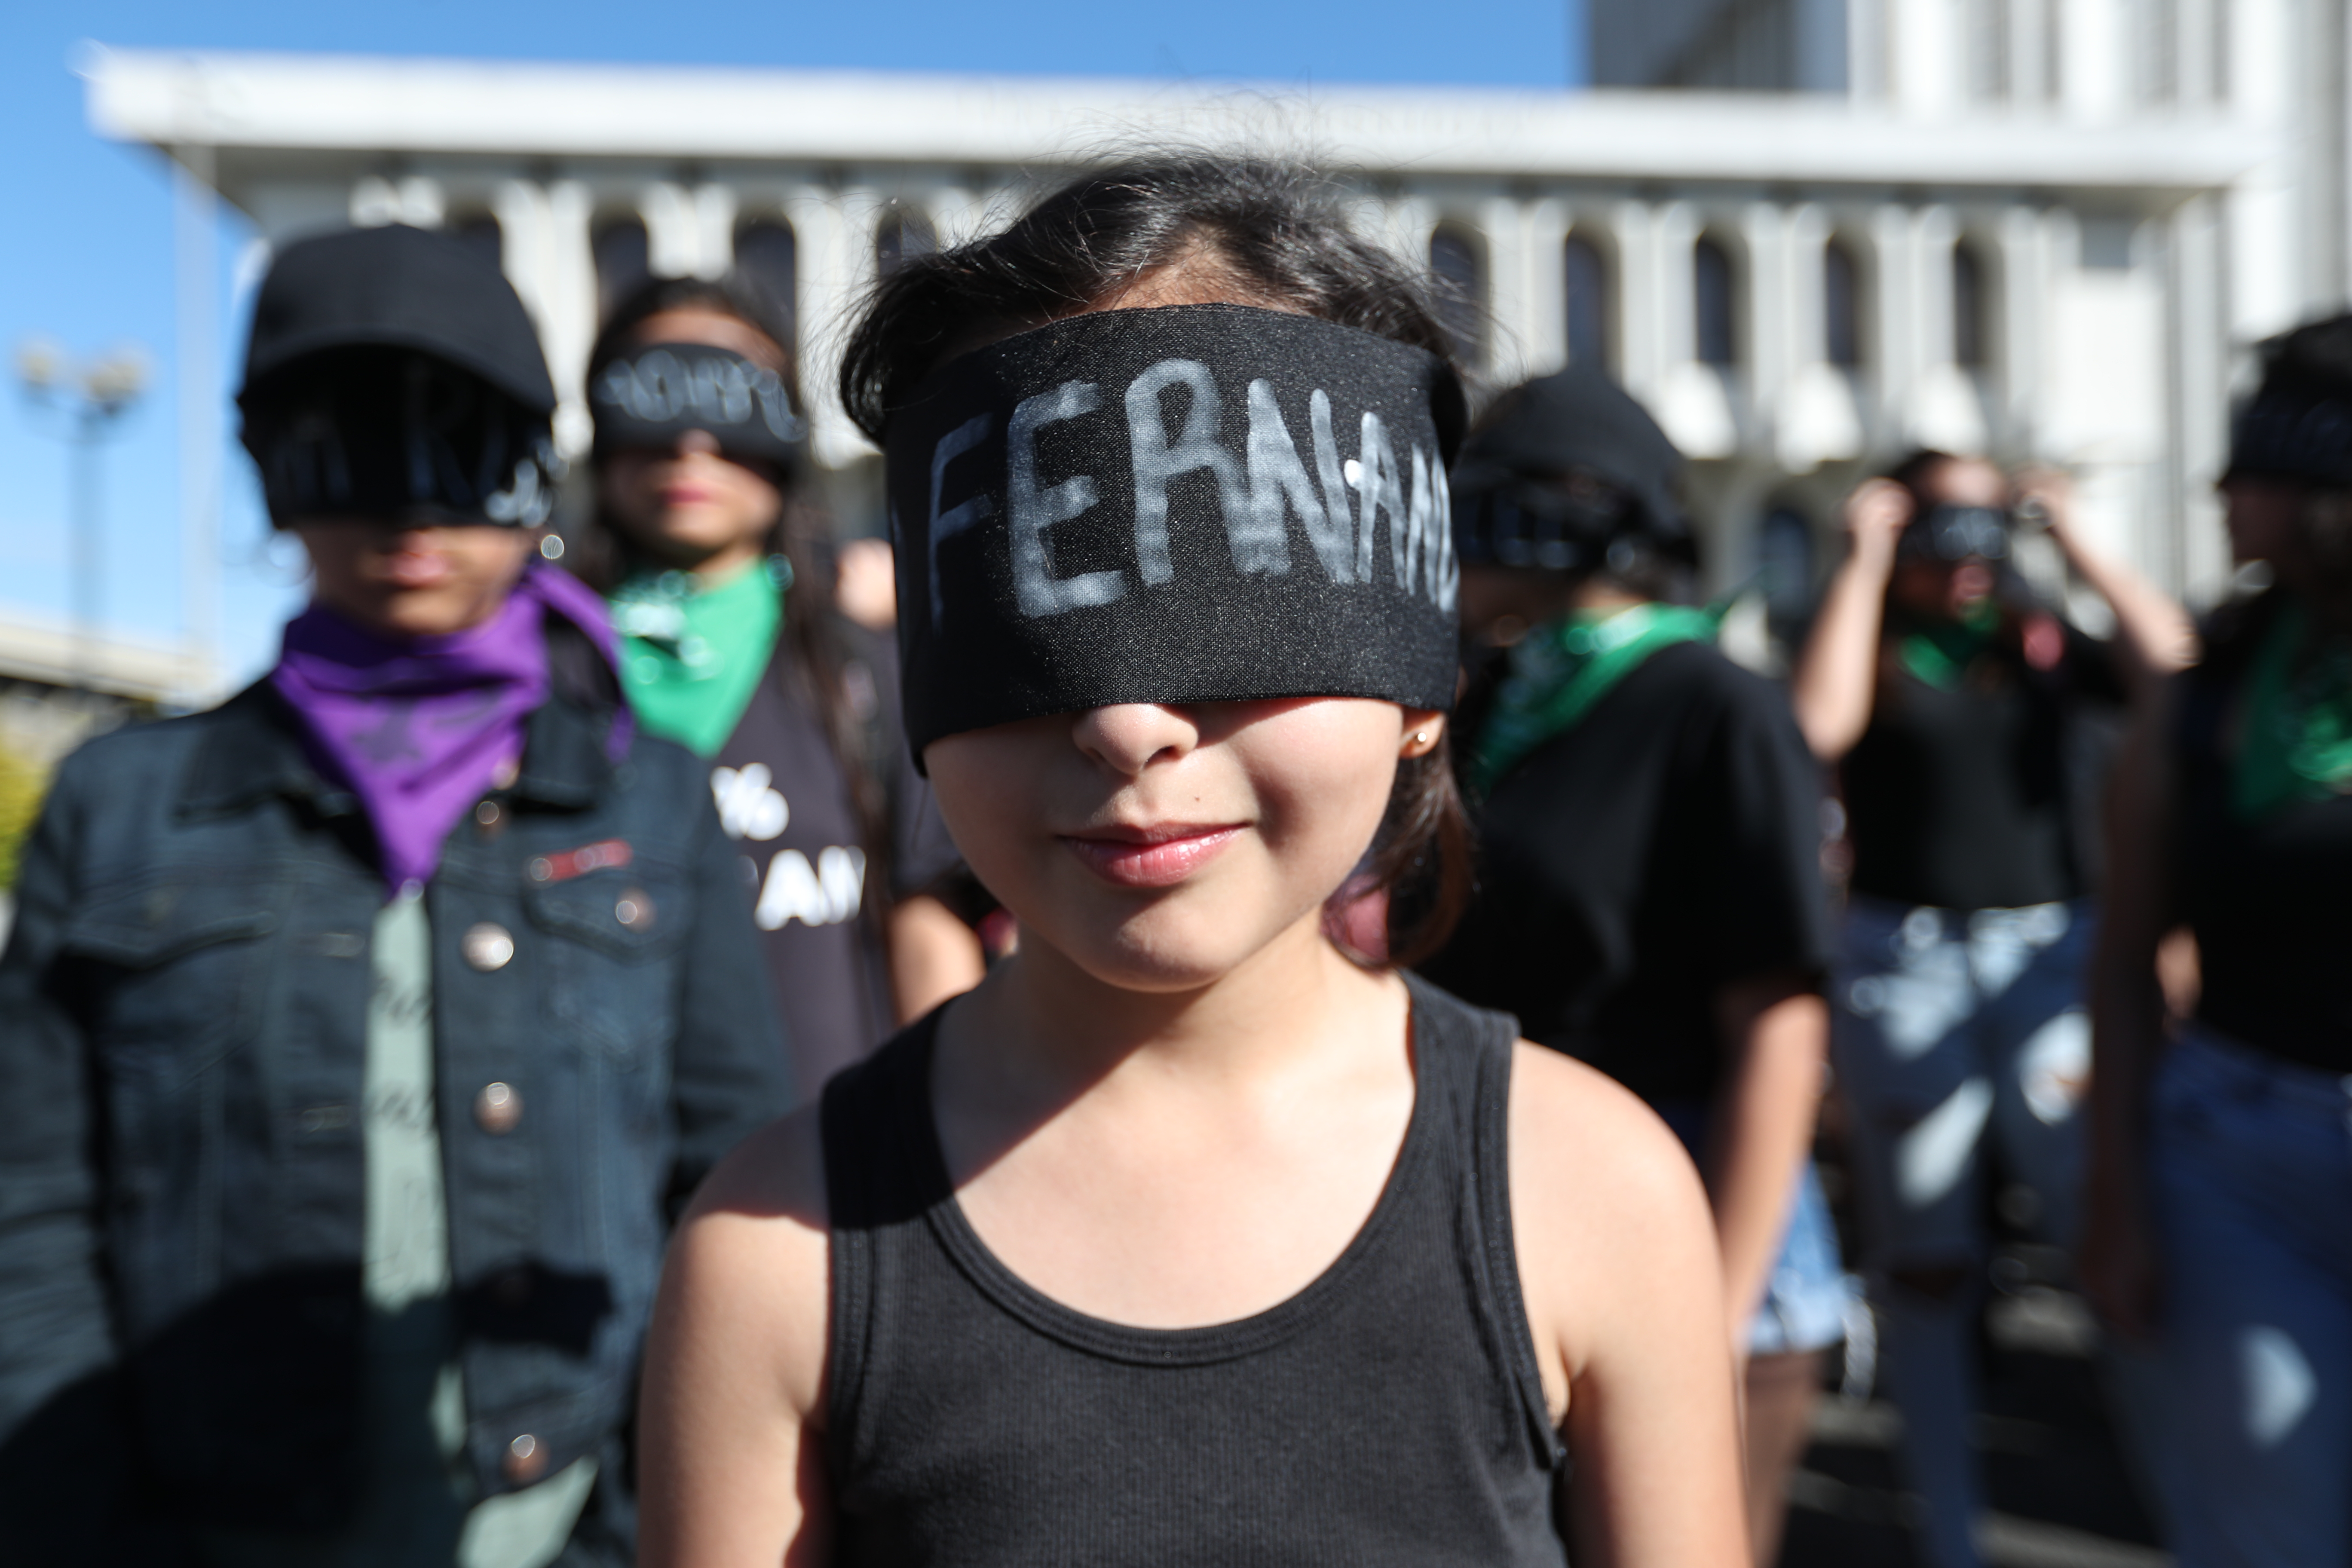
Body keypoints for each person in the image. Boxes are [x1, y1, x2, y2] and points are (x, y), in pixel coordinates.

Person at [634, 154, 1749, 1568]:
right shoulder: (772, 1246)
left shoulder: (1592, 1187)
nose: (1124, 721)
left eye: (1241, 609)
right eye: (1029, 609)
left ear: (1416, 675)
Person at [0, 224, 793, 1566]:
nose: (412, 514)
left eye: (467, 447)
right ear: (270, 471)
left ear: (538, 471)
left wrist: (640, 1523)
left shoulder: (643, 796)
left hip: (564, 1521)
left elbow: (728, 1179)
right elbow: (30, 1216)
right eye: (347, 447)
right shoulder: (123, 803)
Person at [1419, 364, 1842, 1567]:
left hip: (1693, 1221)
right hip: (1517, 1212)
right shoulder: (1495, 695)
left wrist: (1709, 1312)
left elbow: (1778, 1019)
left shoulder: (1715, 704)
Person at [1788, 448, 2193, 1568]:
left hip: (2050, 960)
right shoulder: (1866, 637)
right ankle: (1950, 1529)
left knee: (2099, 1223)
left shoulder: (2042, 639)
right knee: (1924, 1259)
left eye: (1982, 528)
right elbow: (1816, 731)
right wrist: (1864, 554)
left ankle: (2180, 1508)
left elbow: (2176, 668)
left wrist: (2073, 540)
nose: (1965, 558)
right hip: (1904, 961)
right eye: (1940, 529)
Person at [2082, 314, 2352, 1568]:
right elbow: (2129, 953)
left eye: (2251, 467)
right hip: (2239, 1155)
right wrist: (2117, 1193)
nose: (2218, 493)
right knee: (2271, 1536)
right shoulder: (2212, 686)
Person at [579, 276, 983, 1089]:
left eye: (734, 402)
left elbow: (925, 909)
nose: (692, 441)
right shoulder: (532, 671)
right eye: (651, 398)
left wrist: (952, 1126)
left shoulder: (867, 668)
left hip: (831, 1167)